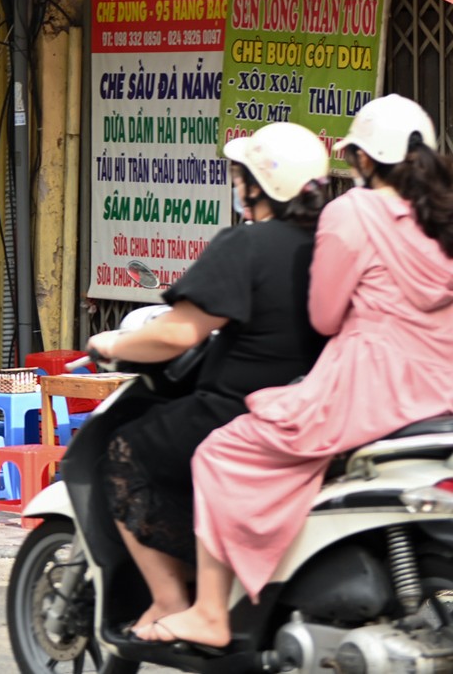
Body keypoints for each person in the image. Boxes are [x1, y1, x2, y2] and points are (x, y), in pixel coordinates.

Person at [149, 95, 453, 650]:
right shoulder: (442, 218)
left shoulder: (352, 212)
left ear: (363, 159)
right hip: (441, 387)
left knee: (225, 451)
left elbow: (324, 315)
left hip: (372, 385)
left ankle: (211, 612)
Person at [81, 122, 331, 636]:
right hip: (315, 409)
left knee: (126, 450)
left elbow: (177, 334)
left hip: (236, 409)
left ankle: (171, 600)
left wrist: (110, 344)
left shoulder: (246, 244)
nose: (237, 186)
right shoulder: (329, 247)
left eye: (241, 177)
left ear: (258, 186)